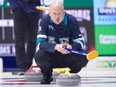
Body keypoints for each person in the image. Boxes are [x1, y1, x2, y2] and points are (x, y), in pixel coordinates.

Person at [35, 1, 88, 84]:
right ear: (49, 13)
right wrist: (55, 47)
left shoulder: (71, 20)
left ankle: (70, 74)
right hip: (51, 55)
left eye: (59, 14)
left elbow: (81, 42)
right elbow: (39, 43)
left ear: (64, 12)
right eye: (54, 14)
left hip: (67, 55)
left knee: (84, 56)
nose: (57, 17)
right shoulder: (44, 20)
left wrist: (71, 47)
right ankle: (47, 75)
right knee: (39, 56)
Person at [8, 0, 41, 75]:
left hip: (34, 8)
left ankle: (30, 66)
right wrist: (15, 6)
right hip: (20, 8)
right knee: (19, 39)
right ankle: (22, 67)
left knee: (32, 40)